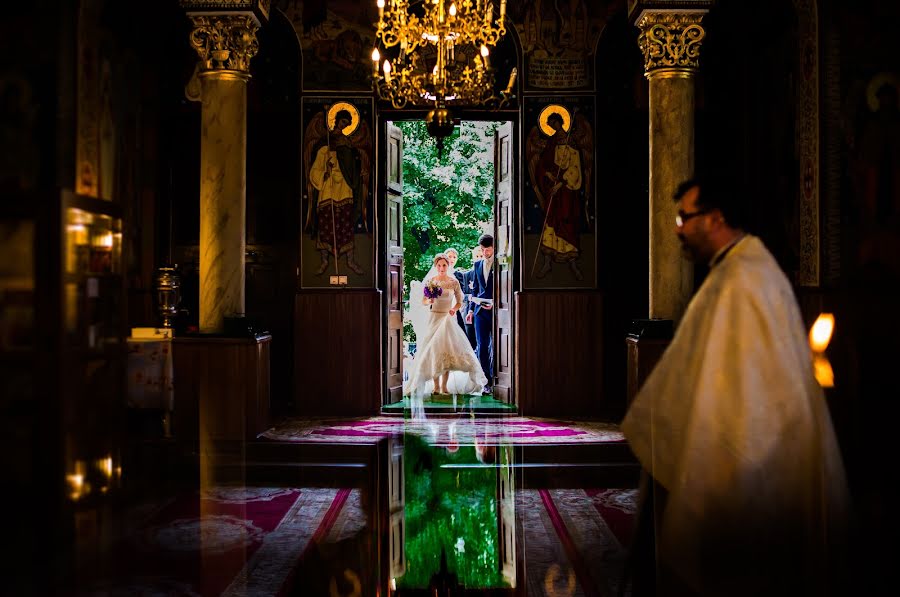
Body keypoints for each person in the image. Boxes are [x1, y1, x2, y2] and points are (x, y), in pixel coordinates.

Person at [621, 177, 849, 596]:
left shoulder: (743, 281)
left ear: (715, 219)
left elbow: (739, 396)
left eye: (684, 218)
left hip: (750, 468)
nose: (677, 229)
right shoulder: (741, 268)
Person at [404, 253, 487, 399]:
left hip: (447, 319)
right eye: (439, 265)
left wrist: (454, 309)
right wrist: (429, 301)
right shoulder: (431, 281)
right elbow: (423, 301)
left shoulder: (454, 282)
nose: (442, 268)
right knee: (435, 350)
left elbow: (460, 301)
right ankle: (436, 386)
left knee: (447, 351)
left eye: (444, 265)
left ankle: (444, 386)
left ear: (448, 266)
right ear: (436, 267)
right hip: (434, 317)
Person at [308, 109, 364, 276]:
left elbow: (354, 164)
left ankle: (350, 260)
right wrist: (324, 171)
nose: (344, 126)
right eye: (342, 122)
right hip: (328, 187)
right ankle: (324, 260)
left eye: (347, 124)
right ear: (337, 121)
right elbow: (315, 168)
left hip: (345, 186)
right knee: (326, 224)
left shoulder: (347, 143)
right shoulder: (326, 141)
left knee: (346, 224)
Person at [534, 111, 584, 280]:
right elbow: (542, 164)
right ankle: (547, 262)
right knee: (551, 221)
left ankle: (573, 264)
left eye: (554, 122)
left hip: (567, 190)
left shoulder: (572, 142)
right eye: (550, 124)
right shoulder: (552, 142)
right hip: (553, 188)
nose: (553, 126)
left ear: (561, 122)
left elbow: (576, 167)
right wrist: (548, 176)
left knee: (567, 221)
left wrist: (561, 183)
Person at [466, 234, 494, 394]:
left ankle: (500, 380)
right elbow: (474, 289)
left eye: (488, 249)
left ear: (493, 248)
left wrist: (495, 303)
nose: (485, 253)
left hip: (498, 311)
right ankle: (486, 382)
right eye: (482, 250)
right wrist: (470, 310)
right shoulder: (477, 265)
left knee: (498, 347)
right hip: (479, 311)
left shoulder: (501, 264)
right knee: (482, 346)